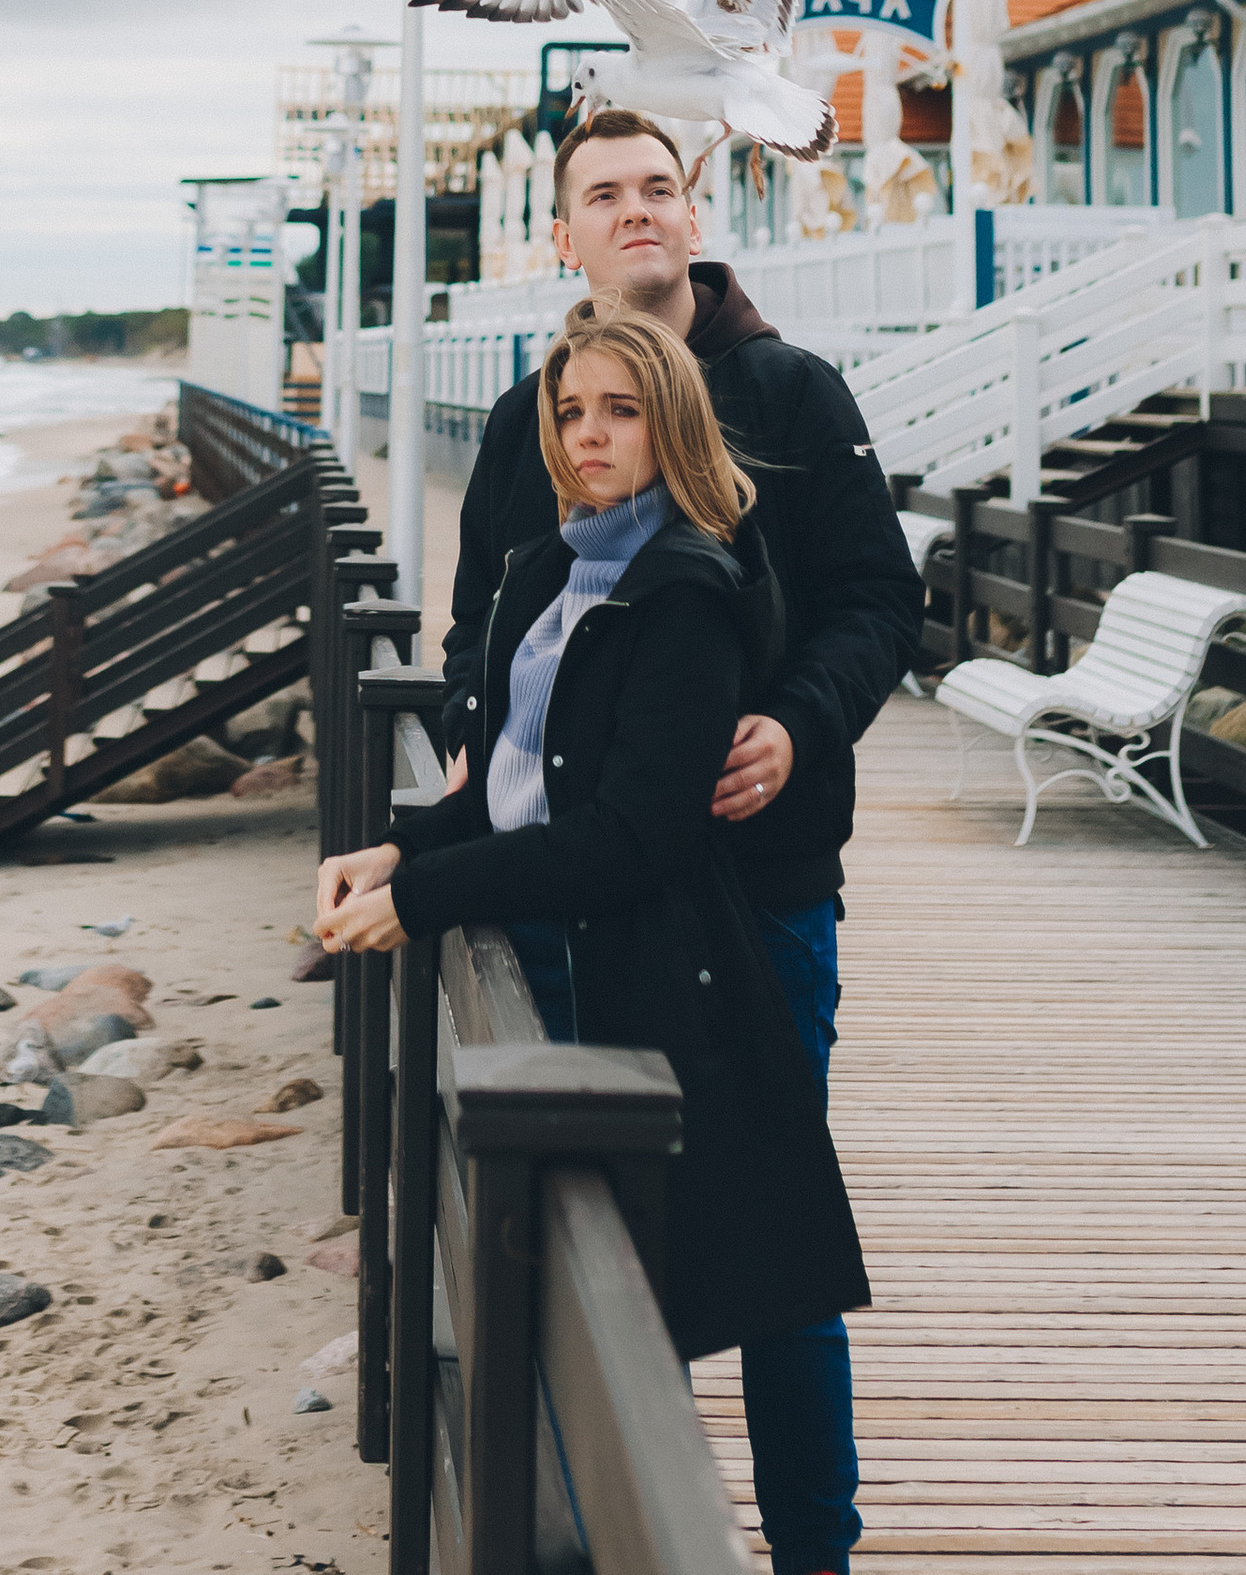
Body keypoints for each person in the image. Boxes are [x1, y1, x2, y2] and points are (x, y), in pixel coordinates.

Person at [437, 106, 921, 1575]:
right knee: (578, 1230)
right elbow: (481, 619)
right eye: (606, 194)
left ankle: (810, 1558)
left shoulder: (788, 389)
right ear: (566, 235)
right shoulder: (550, 413)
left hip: (758, 888)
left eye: (661, 187)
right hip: (585, 900)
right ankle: (613, 1521)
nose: (638, 210)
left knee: (771, 1248)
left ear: (694, 217)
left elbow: (877, 602)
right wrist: (476, 729)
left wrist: (797, 723)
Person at [311, 305, 869, 1381]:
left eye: (620, 411)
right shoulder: (547, 572)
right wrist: (399, 850)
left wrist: (425, 901)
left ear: (672, 425)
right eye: (570, 413)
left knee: (644, 1298)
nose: (587, 435)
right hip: (552, 956)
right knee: (559, 1286)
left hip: (634, 978)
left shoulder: (687, 593)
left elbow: (630, 836)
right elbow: (526, 775)